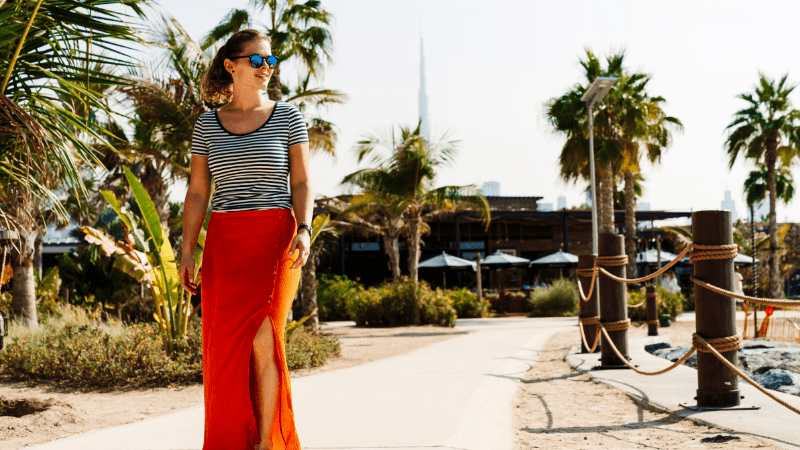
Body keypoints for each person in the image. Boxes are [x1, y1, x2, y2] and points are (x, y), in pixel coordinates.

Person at [178, 29, 312, 450]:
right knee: (228, 351)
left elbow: (303, 180)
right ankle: (239, 438)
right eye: (257, 61)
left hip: (275, 237)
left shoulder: (289, 117)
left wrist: (305, 228)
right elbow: (198, 192)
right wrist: (187, 251)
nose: (266, 68)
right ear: (231, 66)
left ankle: (269, 442)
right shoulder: (207, 124)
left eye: (271, 61)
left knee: (264, 337)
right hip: (225, 241)